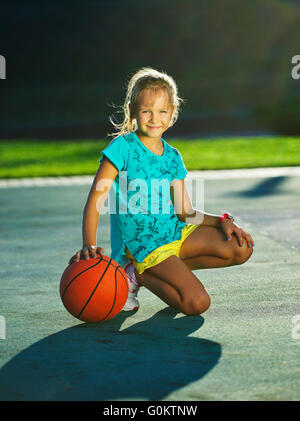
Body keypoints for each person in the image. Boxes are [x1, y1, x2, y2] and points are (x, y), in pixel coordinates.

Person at [68, 67, 254, 315]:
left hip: (176, 233)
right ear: (134, 110)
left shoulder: (173, 157)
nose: (154, 118)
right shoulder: (121, 148)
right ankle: (136, 274)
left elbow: (184, 212)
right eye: (146, 111)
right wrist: (88, 244)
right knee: (198, 303)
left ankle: (152, 272)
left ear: (172, 112)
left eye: (162, 111)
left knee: (241, 248)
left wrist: (221, 221)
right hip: (144, 244)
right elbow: (95, 200)